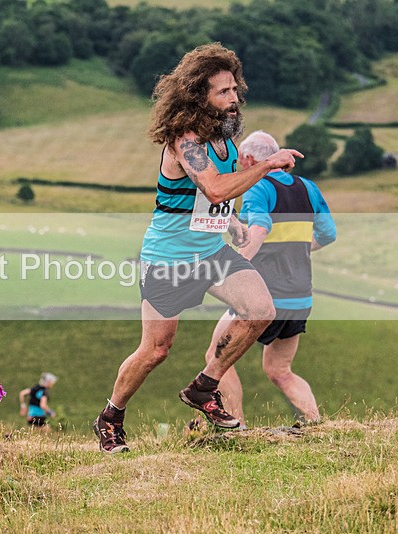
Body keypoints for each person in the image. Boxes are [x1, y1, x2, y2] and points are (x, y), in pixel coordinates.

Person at [93, 43, 304, 453]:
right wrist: (267, 165)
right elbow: (214, 186)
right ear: (198, 97)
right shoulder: (184, 139)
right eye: (222, 92)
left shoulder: (224, 141)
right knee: (156, 350)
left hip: (209, 252)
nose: (233, 100)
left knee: (260, 309)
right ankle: (110, 417)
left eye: (234, 90)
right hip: (168, 260)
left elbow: (209, 200)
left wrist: (233, 222)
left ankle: (205, 387)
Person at [198, 130, 336, 428]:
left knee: (216, 357)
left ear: (248, 159)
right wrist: (297, 247)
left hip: (264, 296)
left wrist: (236, 264)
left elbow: (260, 227)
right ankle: (316, 425)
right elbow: (329, 233)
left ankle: (236, 427)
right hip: (300, 298)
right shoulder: (308, 188)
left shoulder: (258, 186)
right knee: (280, 370)